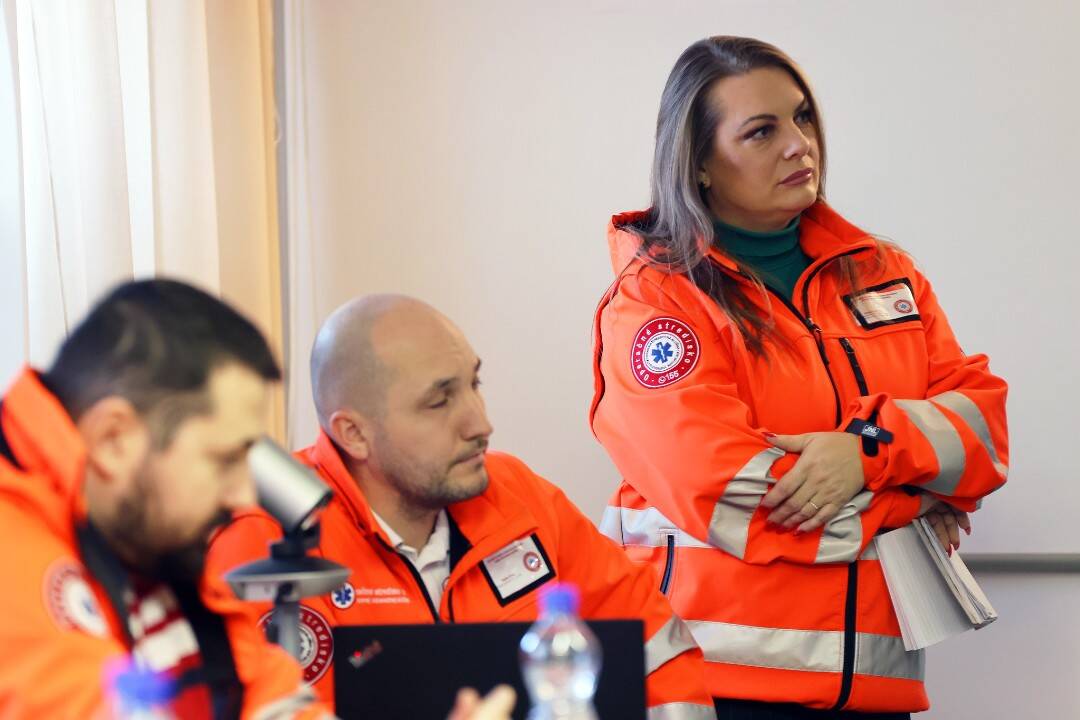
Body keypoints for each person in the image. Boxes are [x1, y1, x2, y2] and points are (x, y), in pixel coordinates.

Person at [588, 37, 1008, 719]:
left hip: (875, 687)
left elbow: (984, 433)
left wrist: (865, 451)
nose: (798, 144)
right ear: (697, 163)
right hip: (718, 685)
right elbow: (738, 497)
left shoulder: (883, 272)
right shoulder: (655, 303)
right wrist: (918, 500)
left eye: (803, 117)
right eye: (762, 130)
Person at [0, 278, 516, 720]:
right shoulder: (17, 553)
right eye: (223, 459)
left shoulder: (141, 536)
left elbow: (269, 695)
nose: (244, 494)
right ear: (114, 440)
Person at [206, 295, 716, 719]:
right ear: (354, 433)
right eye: (439, 401)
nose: (480, 424)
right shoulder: (264, 544)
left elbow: (657, 651)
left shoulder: (518, 494)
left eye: (474, 384)